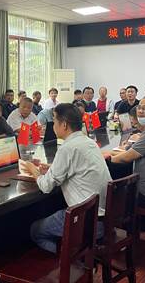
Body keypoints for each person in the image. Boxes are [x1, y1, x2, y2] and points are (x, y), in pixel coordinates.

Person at [20, 103, 111, 253]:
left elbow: (45, 186)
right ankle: (77, 251)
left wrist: (32, 169)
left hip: (84, 221)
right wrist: (52, 168)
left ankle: (71, 257)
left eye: (54, 120)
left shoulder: (67, 148)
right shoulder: (88, 142)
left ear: (64, 125)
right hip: (103, 218)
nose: (53, 125)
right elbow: (77, 166)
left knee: (35, 230)